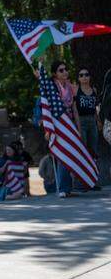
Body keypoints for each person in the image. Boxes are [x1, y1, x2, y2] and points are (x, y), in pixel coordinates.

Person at [51, 61, 77, 198]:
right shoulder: (53, 86)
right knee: (62, 156)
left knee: (71, 155)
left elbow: (74, 107)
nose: (65, 72)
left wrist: (77, 126)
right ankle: (62, 188)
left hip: (70, 123)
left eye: (66, 69)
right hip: (59, 124)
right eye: (61, 70)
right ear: (55, 74)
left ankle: (68, 187)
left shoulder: (70, 86)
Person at [75, 67, 99, 158]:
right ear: (78, 78)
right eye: (81, 75)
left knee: (94, 148)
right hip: (81, 120)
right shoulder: (76, 90)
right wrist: (78, 125)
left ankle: (94, 168)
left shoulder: (94, 90)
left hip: (92, 121)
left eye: (86, 75)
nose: (84, 77)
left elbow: (95, 107)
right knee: (83, 148)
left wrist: (98, 121)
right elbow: (75, 109)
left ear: (89, 77)